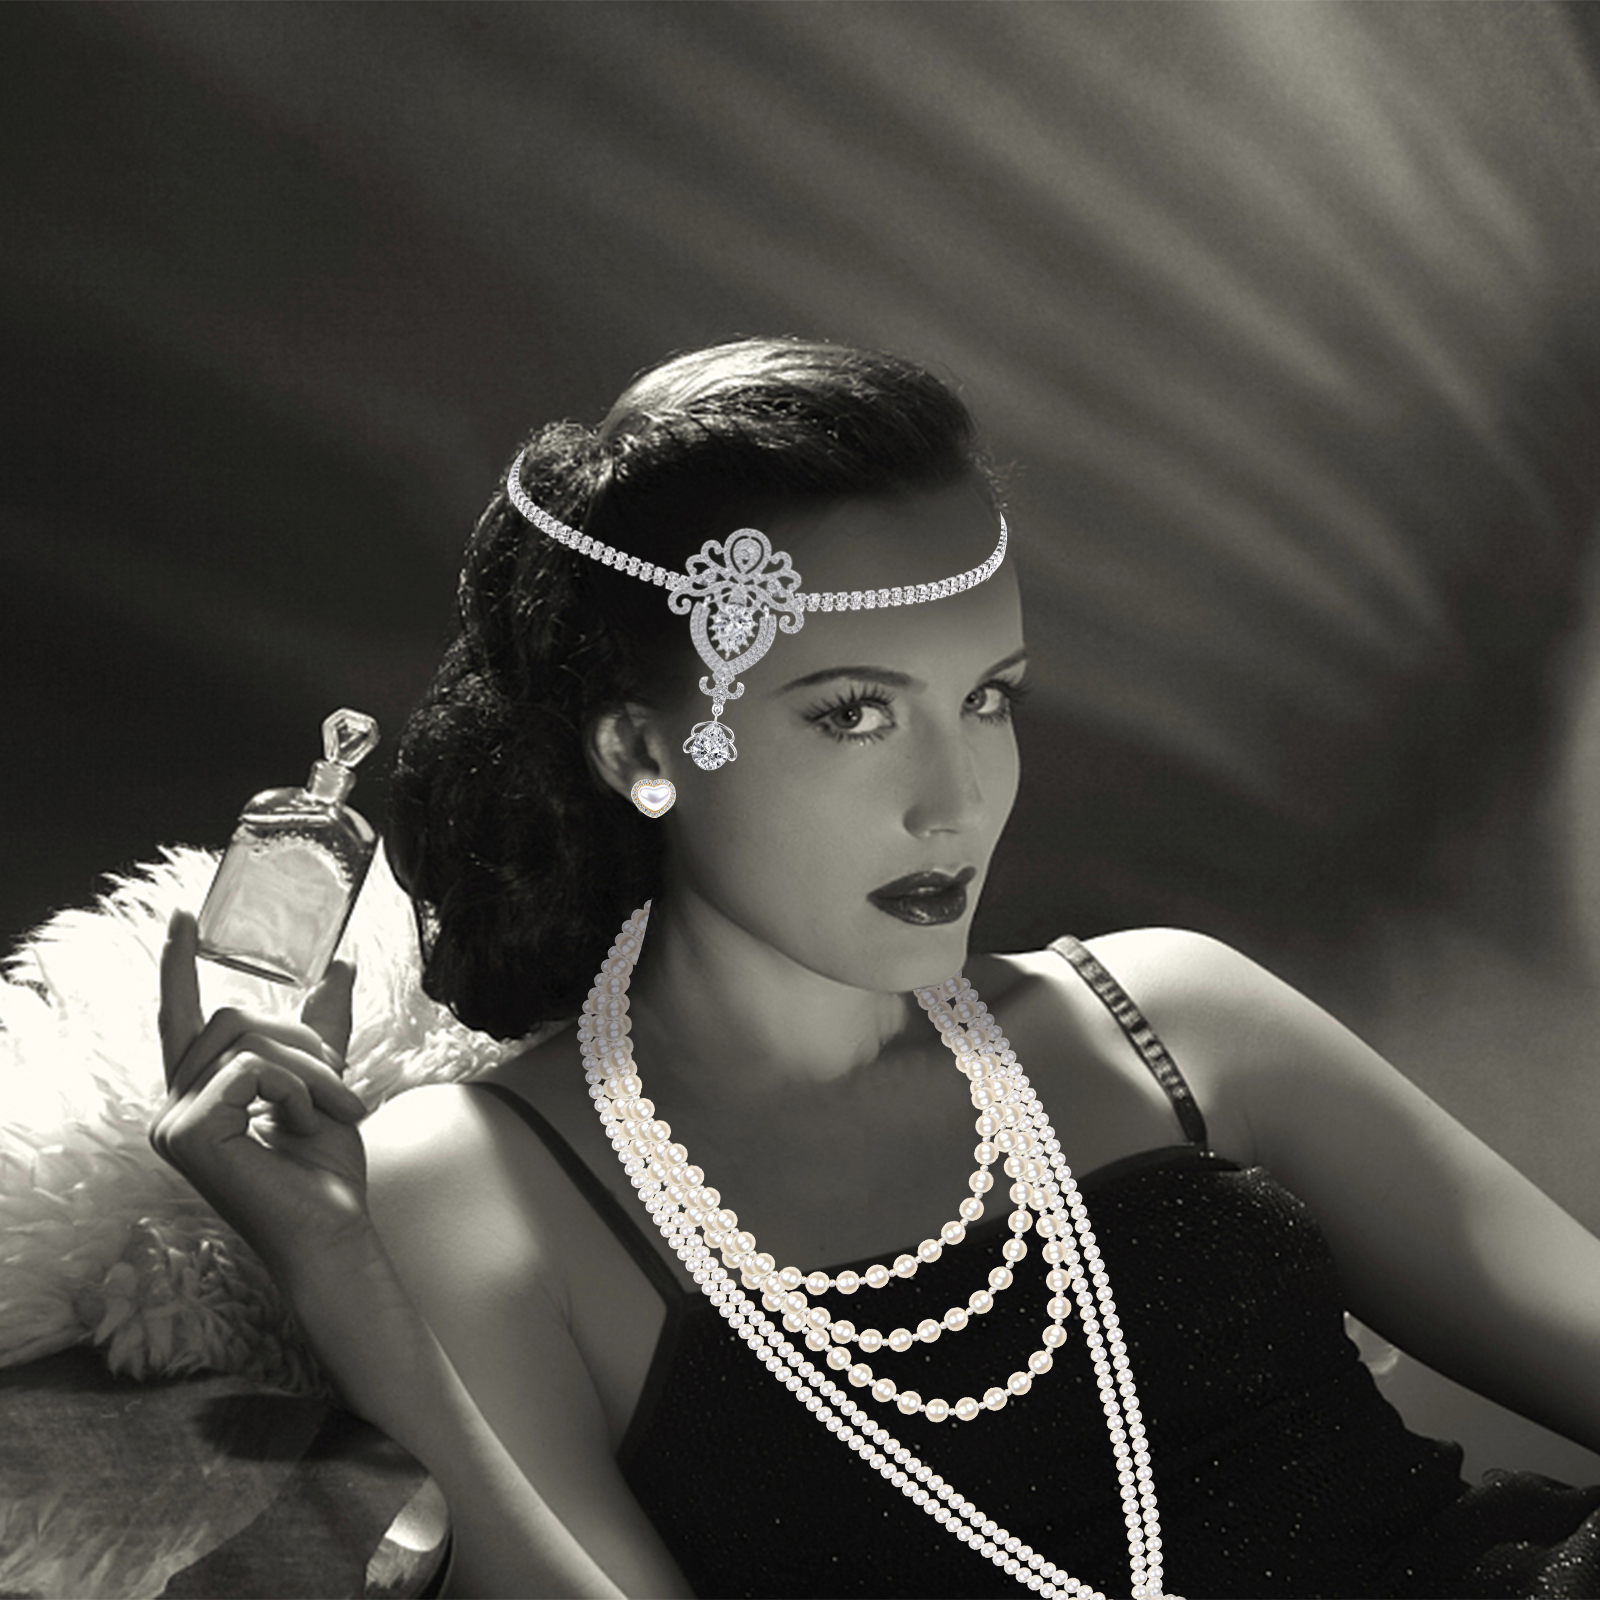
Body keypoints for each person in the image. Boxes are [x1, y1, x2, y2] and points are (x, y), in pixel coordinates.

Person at [151, 338, 1600, 1599]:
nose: (954, 802)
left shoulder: (1172, 1017)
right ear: (644, 749)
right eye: (852, 713)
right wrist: (336, 1272)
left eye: (989, 700)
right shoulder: (466, 1186)